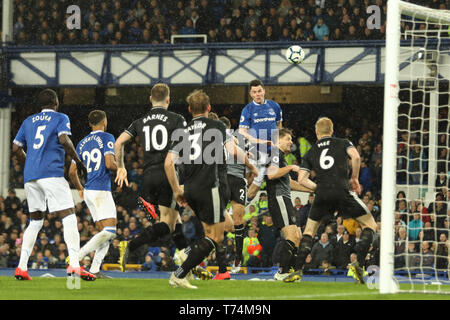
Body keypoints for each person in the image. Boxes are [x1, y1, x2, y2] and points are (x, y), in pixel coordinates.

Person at [164, 89, 251, 289]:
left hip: (190, 189)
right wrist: (252, 166)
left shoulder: (182, 131)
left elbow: (169, 164)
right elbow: (232, 151)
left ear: (189, 109)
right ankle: (182, 267)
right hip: (209, 187)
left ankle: (188, 260)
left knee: (226, 227)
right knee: (216, 236)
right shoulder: (217, 125)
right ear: (209, 108)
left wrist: (177, 190)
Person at [11, 89, 95, 281]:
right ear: (55, 102)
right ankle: (74, 265)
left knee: (36, 221)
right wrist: (79, 163)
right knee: (69, 216)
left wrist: (31, 161)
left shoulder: (28, 121)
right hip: (51, 173)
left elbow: (16, 148)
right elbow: (63, 139)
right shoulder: (60, 117)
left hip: (31, 177)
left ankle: (21, 268)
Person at [284, 117, 377, 284]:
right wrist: (354, 178)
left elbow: (302, 178)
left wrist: (319, 188)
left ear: (316, 132)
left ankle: (297, 270)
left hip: (321, 194)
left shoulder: (311, 151)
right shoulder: (342, 142)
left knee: (309, 231)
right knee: (370, 225)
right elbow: (355, 157)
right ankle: (359, 265)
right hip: (342, 190)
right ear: (332, 131)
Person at [68, 110, 118, 279]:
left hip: (89, 190)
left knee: (105, 233)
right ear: (105, 122)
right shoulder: (107, 137)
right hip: (100, 189)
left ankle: (95, 269)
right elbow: (110, 163)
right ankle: (76, 258)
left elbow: (72, 172)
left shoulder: (81, 143)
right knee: (110, 231)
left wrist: (80, 188)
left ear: (90, 124)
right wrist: (122, 168)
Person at [265, 128, 313, 280]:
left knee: (297, 236)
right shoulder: (274, 153)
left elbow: (290, 183)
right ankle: (282, 272)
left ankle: (289, 270)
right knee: (292, 236)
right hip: (279, 198)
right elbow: (271, 174)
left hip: (285, 198)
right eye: (288, 139)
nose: (291, 142)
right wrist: (291, 167)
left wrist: (314, 189)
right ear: (278, 140)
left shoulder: (281, 157)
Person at [239, 79, 283, 204]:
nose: (257, 94)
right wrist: (258, 140)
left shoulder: (274, 106)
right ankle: (238, 206)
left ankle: (239, 207)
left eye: (259, 91)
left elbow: (279, 126)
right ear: (250, 94)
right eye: (254, 92)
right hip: (257, 150)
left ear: (264, 91)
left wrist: (278, 142)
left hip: (273, 150)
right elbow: (242, 131)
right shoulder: (248, 109)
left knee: (280, 178)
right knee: (252, 181)